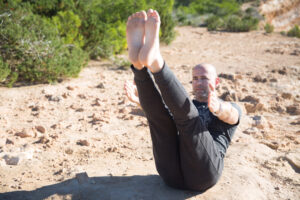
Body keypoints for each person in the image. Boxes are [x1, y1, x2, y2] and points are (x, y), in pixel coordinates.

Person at [124, 9, 241, 192]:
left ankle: (156, 63)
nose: (199, 83)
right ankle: (139, 67)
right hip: (171, 175)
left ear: (216, 82)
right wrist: (140, 101)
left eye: (204, 78)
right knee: (160, 119)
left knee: (190, 119)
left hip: (204, 174)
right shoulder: (188, 106)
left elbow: (232, 116)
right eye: (195, 78)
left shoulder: (229, 107)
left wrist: (218, 108)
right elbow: (163, 113)